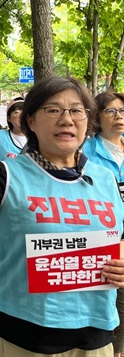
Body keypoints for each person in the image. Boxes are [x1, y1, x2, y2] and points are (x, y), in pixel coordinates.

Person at [0, 77, 124, 356]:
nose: (67, 120)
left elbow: (119, 237)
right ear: (30, 120)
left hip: (96, 330)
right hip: (28, 335)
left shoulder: (106, 179)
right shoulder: (7, 173)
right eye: (53, 110)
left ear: (88, 121)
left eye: (77, 110)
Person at [83, 91, 124, 357]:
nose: (118, 116)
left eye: (122, 111)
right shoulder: (84, 152)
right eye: (110, 111)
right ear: (96, 116)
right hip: (104, 242)